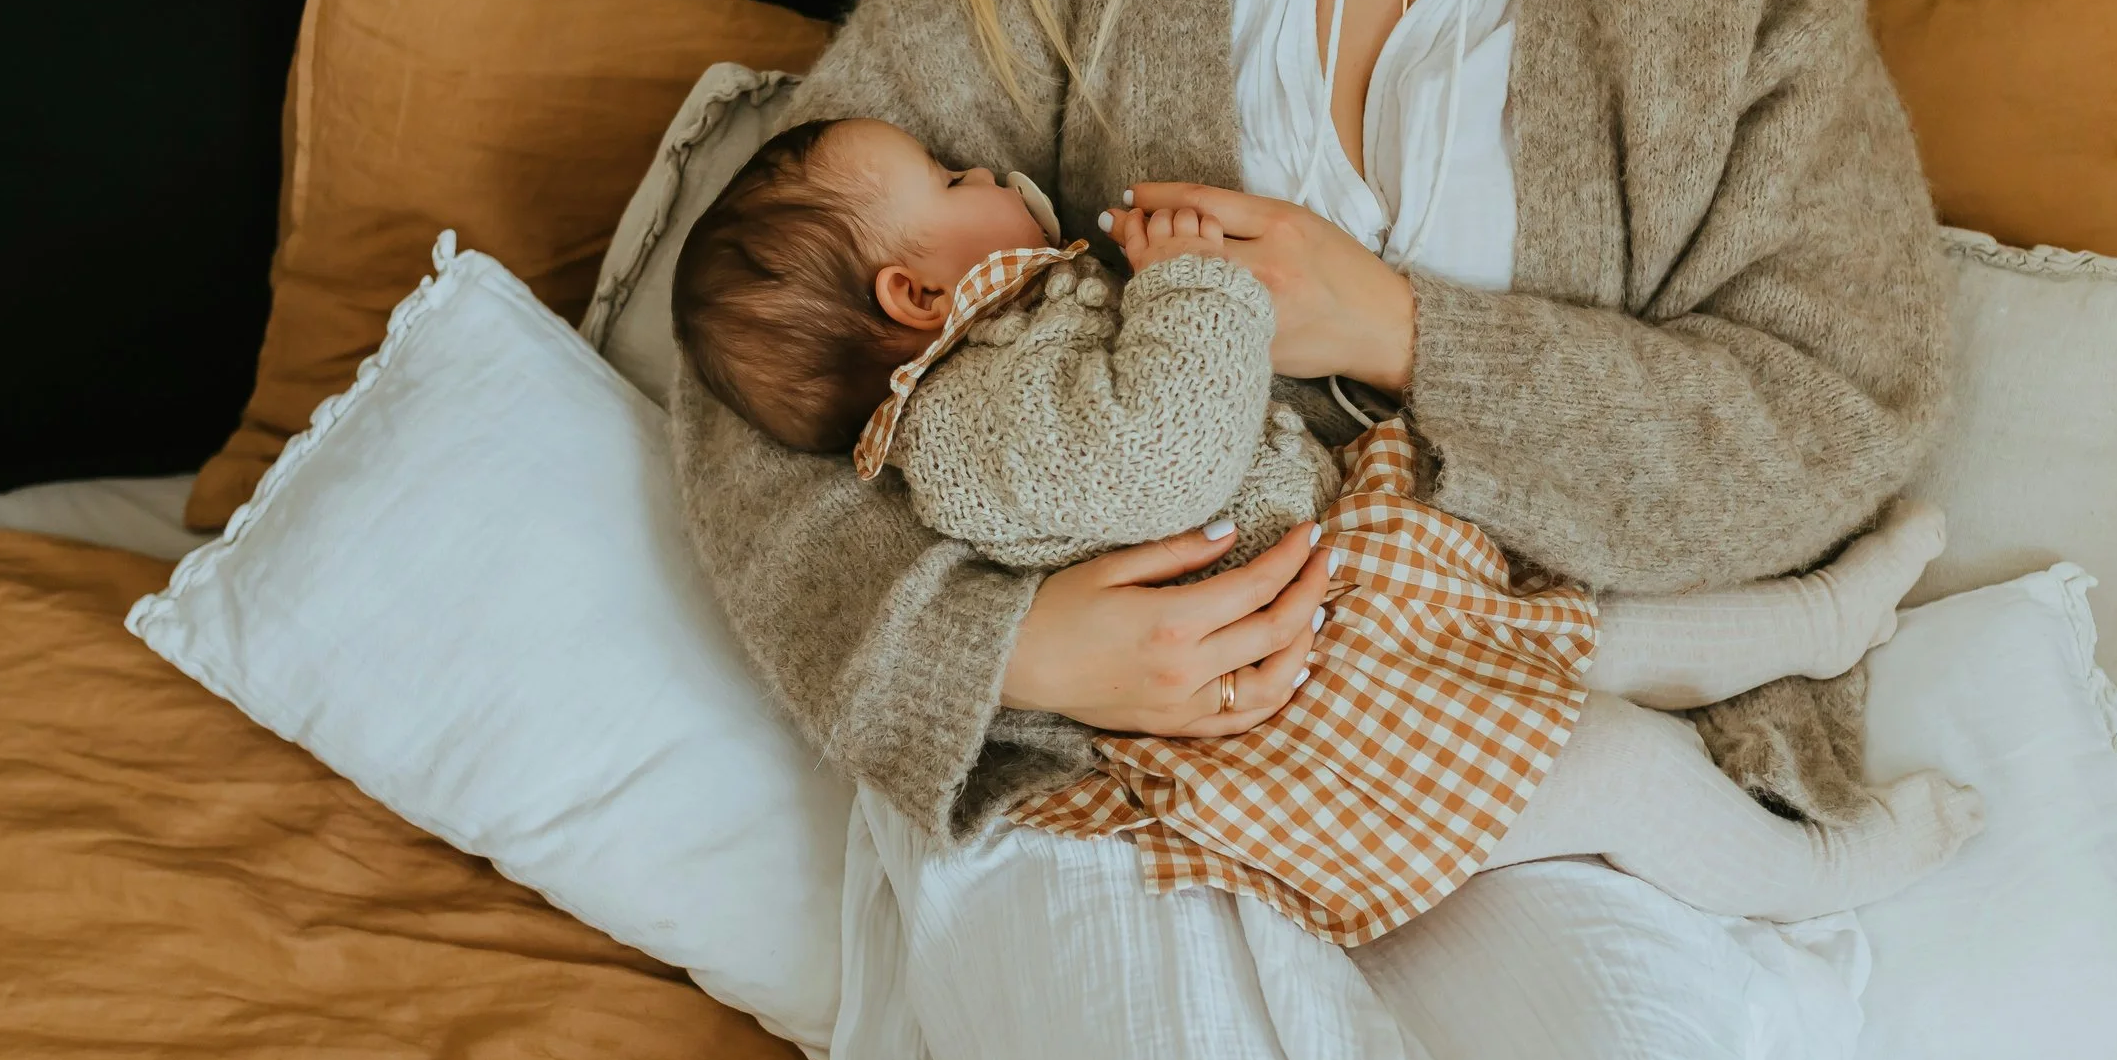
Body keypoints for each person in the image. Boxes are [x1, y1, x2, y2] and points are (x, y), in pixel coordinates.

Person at [671, 0, 1949, 1060]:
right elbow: (774, 366)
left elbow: (1843, 405)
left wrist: (1412, 337)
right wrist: (1005, 644)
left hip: (1492, 722)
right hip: (1105, 780)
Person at [674, 113, 1974, 942]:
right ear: (917, 291)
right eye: (954, 175)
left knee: (1591, 631)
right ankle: (1825, 871)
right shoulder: (966, 429)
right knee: (1618, 763)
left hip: (1359, 590)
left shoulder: (1010, 338)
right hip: (1313, 711)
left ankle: (1823, 616)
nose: (996, 168)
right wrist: (1194, 282)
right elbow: (1165, 449)